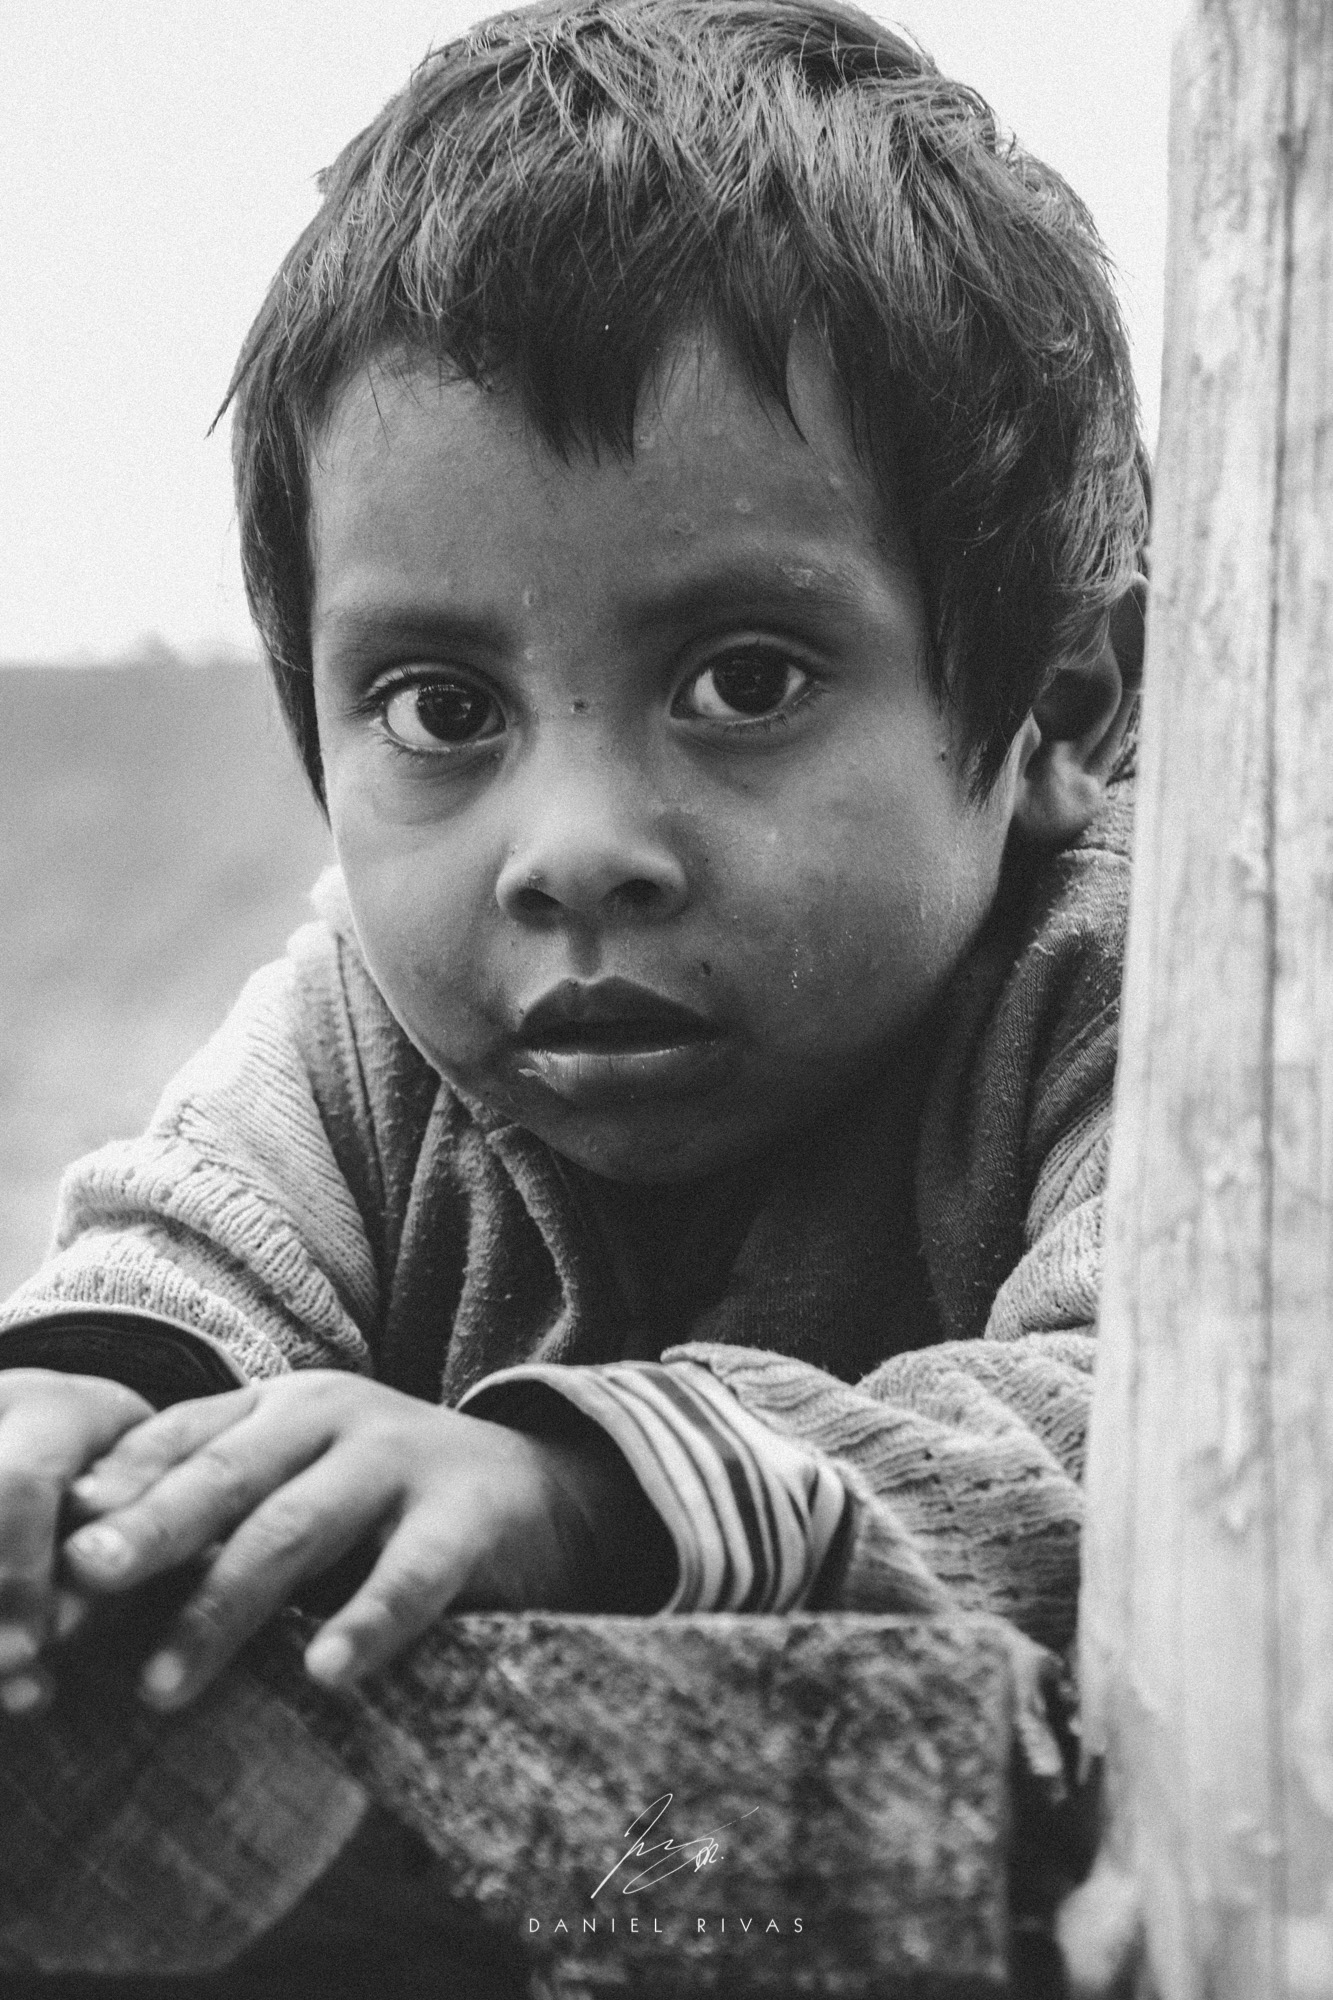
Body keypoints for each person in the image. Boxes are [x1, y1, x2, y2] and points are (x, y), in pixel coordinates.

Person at [0, 0, 1146, 1982]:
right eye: (441, 709)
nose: (570, 847)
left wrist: (589, 1485)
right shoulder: (373, 1031)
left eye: (743, 681)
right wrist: (78, 1413)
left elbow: (1128, 1442)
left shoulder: (1130, 1009)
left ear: (1055, 706)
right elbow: (191, 1254)